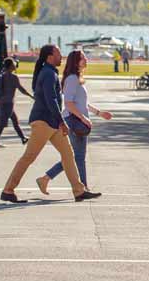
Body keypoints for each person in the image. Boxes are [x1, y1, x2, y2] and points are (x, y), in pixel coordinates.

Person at [0, 44, 100, 203]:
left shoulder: (49, 72)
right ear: (50, 56)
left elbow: (46, 96)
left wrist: (58, 122)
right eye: (59, 54)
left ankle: (79, 190)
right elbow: (51, 99)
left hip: (52, 122)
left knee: (68, 154)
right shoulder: (48, 74)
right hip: (43, 122)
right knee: (29, 157)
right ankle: (8, 190)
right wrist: (62, 121)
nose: (61, 57)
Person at [36, 51, 112, 195]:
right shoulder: (72, 79)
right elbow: (69, 103)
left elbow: (83, 103)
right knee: (77, 156)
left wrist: (99, 113)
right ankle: (82, 188)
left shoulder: (77, 78)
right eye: (83, 58)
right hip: (73, 121)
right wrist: (84, 118)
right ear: (75, 61)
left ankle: (46, 179)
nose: (86, 60)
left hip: (78, 120)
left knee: (74, 156)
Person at [0, 58, 33, 148]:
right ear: (10, 66)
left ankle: (23, 138)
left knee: (14, 120)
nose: (15, 65)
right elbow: (21, 89)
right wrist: (31, 96)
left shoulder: (2, 75)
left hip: (2, 101)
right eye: (14, 64)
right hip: (8, 103)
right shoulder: (13, 77)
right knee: (2, 122)